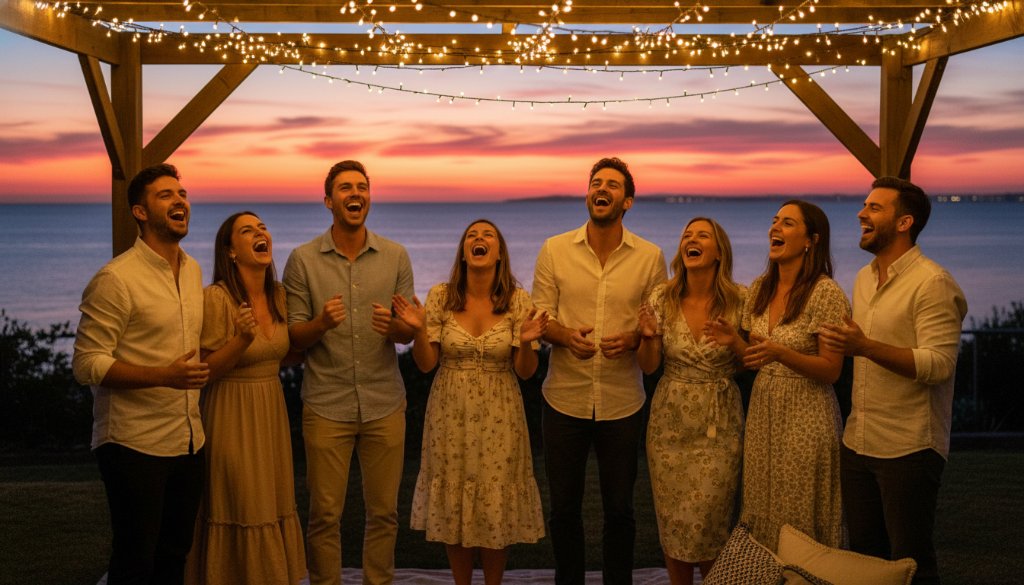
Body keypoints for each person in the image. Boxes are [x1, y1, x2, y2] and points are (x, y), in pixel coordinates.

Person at [819, 177, 966, 585]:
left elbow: (938, 365)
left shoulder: (932, 283)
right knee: (867, 562)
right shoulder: (865, 278)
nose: (861, 214)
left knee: (911, 564)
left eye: (874, 208)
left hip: (909, 445)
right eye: (865, 205)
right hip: (859, 441)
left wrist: (864, 346)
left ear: (904, 223)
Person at [532, 157, 667, 585]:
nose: (600, 188)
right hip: (564, 398)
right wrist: (564, 335)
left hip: (622, 401)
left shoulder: (650, 257)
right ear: (587, 193)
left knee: (621, 511)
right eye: (595, 183)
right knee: (564, 510)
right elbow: (541, 319)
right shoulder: (554, 249)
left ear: (627, 200)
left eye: (611, 184)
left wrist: (632, 339)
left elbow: (652, 327)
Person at [72, 163, 208, 585]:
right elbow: (86, 363)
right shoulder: (116, 279)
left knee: (174, 555)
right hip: (133, 441)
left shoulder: (193, 270)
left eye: (182, 193)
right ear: (140, 212)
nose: (180, 200)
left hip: (188, 438)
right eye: (166, 195)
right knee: (135, 560)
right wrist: (164, 375)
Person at [392, 219, 546, 585]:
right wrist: (417, 330)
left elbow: (526, 373)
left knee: (494, 503)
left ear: (499, 253)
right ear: (464, 252)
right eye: (472, 236)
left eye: (487, 235)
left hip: (501, 414)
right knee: (455, 502)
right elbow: (427, 365)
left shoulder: (518, 300)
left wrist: (525, 342)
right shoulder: (442, 296)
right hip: (450, 413)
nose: (479, 239)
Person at [283, 160, 415, 585]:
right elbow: (294, 339)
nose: (355, 194)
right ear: (329, 201)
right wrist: (321, 323)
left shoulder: (396, 256)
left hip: (384, 403)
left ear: (369, 198)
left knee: (385, 513)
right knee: (324, 515)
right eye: (345, 188)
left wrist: (396, 327)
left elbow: (409, 331)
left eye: (362, 187)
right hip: (325, 404)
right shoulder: (302, 260)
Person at [709, 199, 848, 552]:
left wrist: (782, 353)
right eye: (774, 221)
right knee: (761, 510)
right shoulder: (759, 288)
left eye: (787, 223)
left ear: (810, 240)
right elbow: (757, 359)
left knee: (799, 516)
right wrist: (734, 342)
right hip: (764, 414)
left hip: (807, 417)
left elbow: (832, 370)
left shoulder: (825, 292)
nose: (775, 228)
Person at [185, 212, 306, 584]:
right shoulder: (217, 299)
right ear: (230, 251)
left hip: (271, 411)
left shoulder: (281, 296)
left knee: (270, 502)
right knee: (241, 502)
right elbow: (204, 372)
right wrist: (240, 340)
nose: (261, 233)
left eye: (263, 228)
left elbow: (285, 352)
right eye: (248, 231)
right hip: (230, 413)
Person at [636, 217, 745, 585]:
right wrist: (648, 337)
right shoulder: (660, 298)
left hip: (721, 424)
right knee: (673, 522)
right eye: (686, 235)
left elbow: (752, 361)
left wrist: (736, 343)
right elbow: (649, 368)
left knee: (712, 521)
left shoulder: (739, 300)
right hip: (670, 422)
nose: (691, 240)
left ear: (718, 252)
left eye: (702, 235)